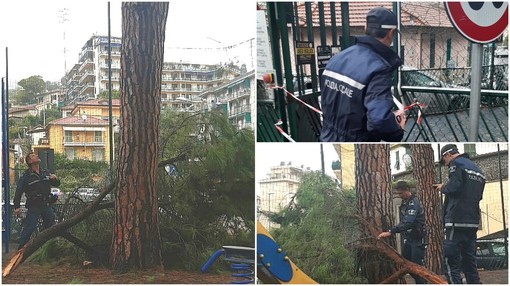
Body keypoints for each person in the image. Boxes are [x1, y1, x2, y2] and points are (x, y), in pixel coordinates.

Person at [320, 7, 405, 142]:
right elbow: (379, 121)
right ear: (391, 33)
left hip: (328, 137)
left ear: (365, 27)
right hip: (358, 142)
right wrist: (397, 129)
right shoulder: (379, 67)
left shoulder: (337, 59)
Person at [434, 144, 485, 284]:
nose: (445, 165)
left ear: (447, 155)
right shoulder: (477, 169)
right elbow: (478, 195)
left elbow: (455, 187)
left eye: (444, 162)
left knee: (450, 261)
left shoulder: (455, 164)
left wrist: (443, 186)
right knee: (470, 262)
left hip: (456, 220)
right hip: (473, 220)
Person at [378, 180, 426, 284]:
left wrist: (391, 231)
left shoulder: (414, 202)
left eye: (400, 193)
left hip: (417, 239)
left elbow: (408, 222)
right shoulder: (405, 202)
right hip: (409, 239)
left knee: (417, 267)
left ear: (407, 190)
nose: (399, 195)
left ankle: (422, 282)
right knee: (405, 263)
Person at [13, 152, 60, 249]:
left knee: (51, 227)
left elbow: (57, 184)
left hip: (46, 204)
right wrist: (16, 207)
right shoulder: (26, 176)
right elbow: (18, 192)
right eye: (33, 156)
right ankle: (20, 252)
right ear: (30, 161)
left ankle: (52, 249)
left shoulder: (45, 172)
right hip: (34, 205)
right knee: (29, 228)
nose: (37, 156)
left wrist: (55, 179)